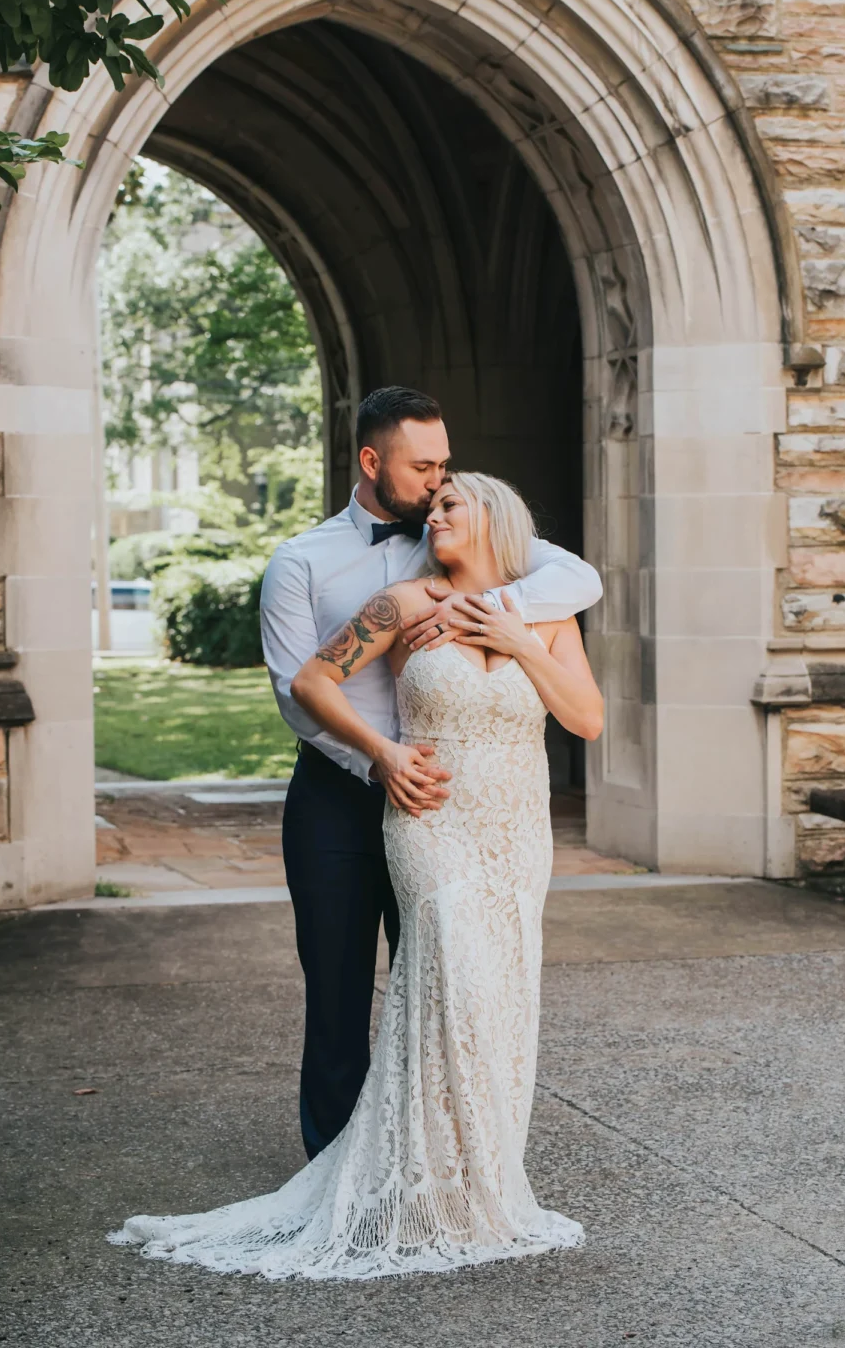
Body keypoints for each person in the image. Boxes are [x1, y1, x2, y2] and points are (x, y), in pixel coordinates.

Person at [109, 470, 604, 1278]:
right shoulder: (408, 604)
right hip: (432, 823)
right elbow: (310, 680)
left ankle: (478, 1187)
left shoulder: (544, 615)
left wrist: (515, 640)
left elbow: (584, 718)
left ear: (494, 521)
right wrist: (382, 755)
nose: (434, 513)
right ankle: (414, 1184)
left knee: (502, 997)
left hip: (516, 830)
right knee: (451, 982)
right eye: (432, 501)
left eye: (452, 504)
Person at [259, 386, 602, 1161]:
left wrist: (499, 619)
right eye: (425, 471)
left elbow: (580, 581)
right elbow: (297, 688)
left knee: (471, 989)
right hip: (354, 790)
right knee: (342, 990)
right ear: (373, 462)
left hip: (485, 813)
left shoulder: (484, 563)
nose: (436, 489)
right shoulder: (305, 564)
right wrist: (381, 760)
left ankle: (454, 1156)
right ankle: (343, 1167)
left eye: (447, 474)